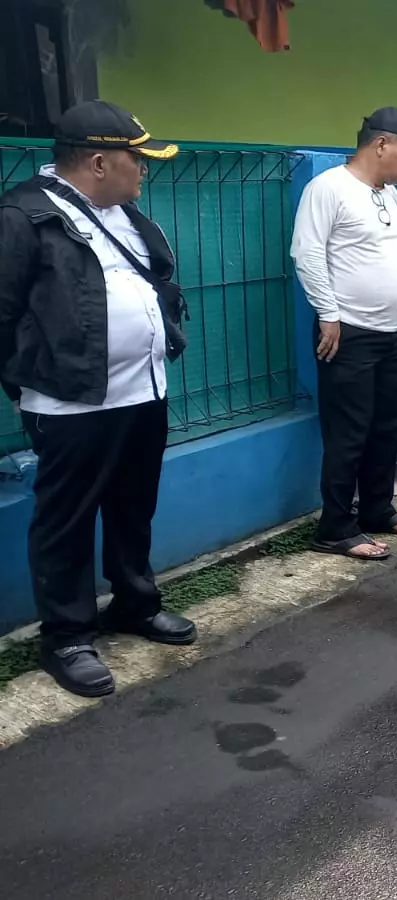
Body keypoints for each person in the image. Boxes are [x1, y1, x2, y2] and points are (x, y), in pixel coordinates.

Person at [0, 100, 193, 697]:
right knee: (68, 520)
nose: (145, 169)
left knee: (133, 507)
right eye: (138, 159)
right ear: (100, 161)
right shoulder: (23, 216)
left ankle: (134, 603)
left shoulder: (124, 214)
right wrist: (25, 383)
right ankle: (67, 636)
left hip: (143, 392)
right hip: (71, 403)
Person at [292, 107, 397, 561]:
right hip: (347, 335)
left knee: (387, 425)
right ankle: (336, 527)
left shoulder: (388, 195)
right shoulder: (329, 189)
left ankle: (377, 509)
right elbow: (307, 254)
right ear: (380, 144)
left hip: (390, 332)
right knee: (349, 432)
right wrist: (328, 314)